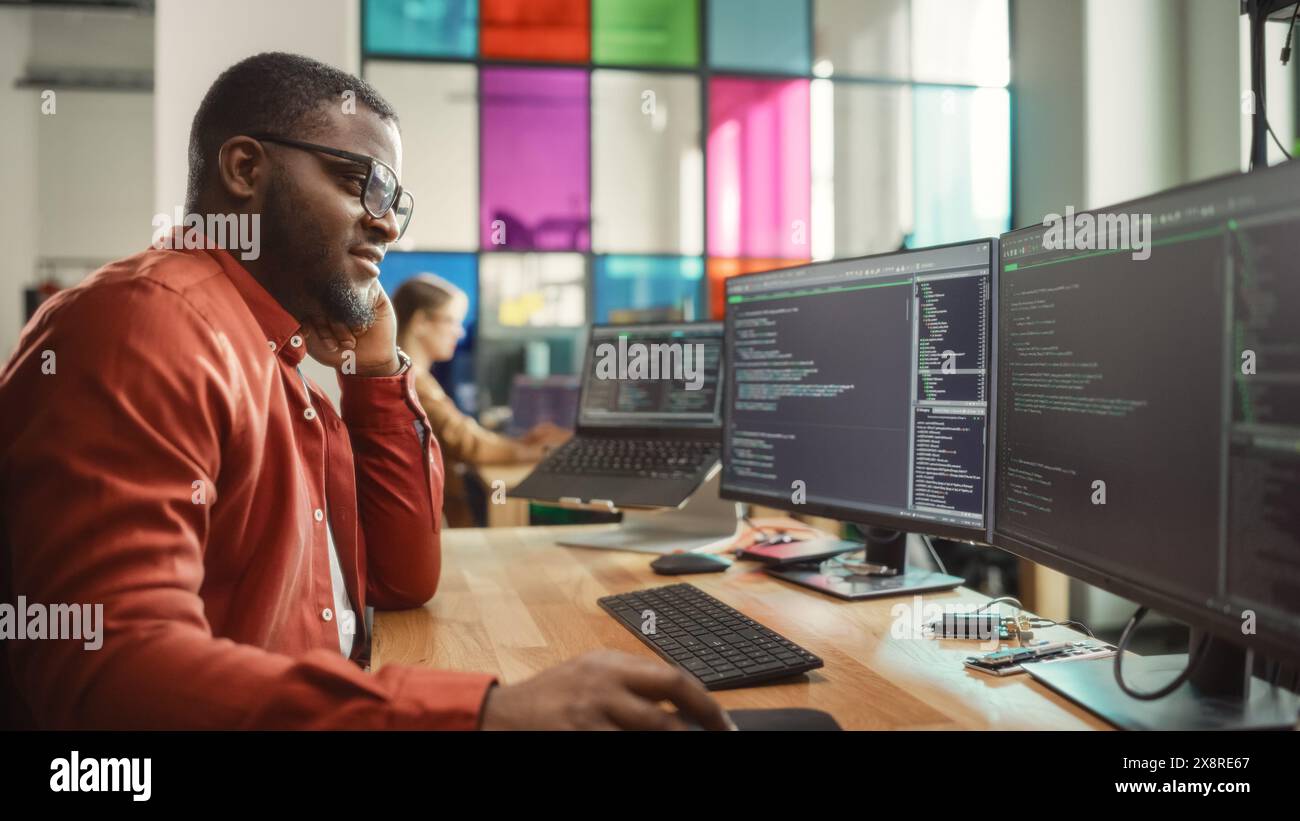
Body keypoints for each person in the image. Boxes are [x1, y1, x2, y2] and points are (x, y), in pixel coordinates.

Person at [0, 51, 728, 732]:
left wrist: (378, 371)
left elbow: (401, 576)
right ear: (246, 168)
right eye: (361, 183)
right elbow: (110, 669)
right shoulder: (147, 324)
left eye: (394, 201)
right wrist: (482, 713)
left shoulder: (282, 366)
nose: (386, 223)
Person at [391, 274, 570, 467]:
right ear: (421, 322)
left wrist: (520, 442)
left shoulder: (410, 375)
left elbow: (462, 434)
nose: (460, 332)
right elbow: (466, 443)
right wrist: (536, 452)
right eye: (451, 321)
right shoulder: (411, 381)